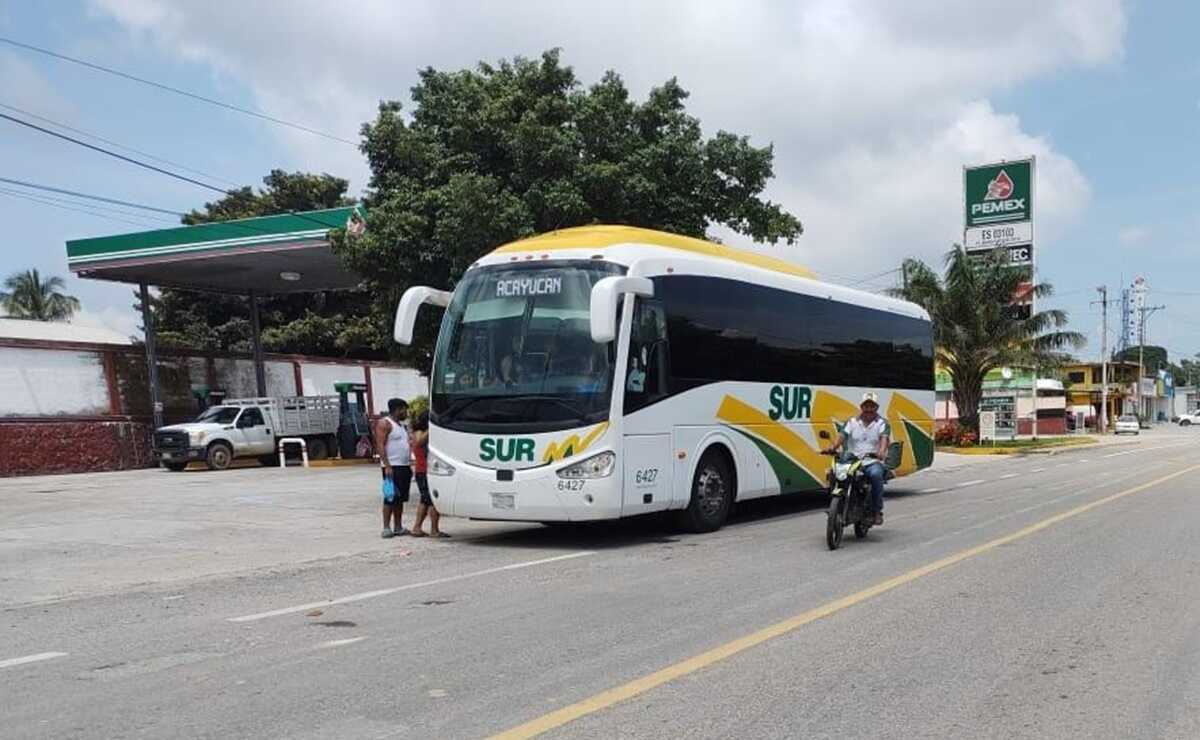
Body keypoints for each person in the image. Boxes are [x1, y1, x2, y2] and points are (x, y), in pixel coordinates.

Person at [823, 392, 891, 526]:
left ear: (876, 408)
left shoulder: (882, 423)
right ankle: (836, 505)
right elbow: (841, 436)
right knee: (834, 473)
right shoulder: (852, 422)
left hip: (871, 461)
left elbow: (884, 439)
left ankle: (877, 511)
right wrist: (832, 447)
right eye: (866, 406)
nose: (868, 409)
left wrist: (881, 452)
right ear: (861, 407)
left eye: (872, 406)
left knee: (876, 475)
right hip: (852, 460)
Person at [375, 398, 412, 538]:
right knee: (390, 497)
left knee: (400, 498)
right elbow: (380, 444)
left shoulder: (401, 426)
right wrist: (387, 465)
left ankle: (398, 526)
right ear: (397, 409)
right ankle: (386, 527)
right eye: (404, 410)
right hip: (392, 467)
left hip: (403, 466)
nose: (406, 413)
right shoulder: (385, 423)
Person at [409, 410, 449, 538]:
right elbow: (419, 441)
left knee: (427, 500)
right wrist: (432, 427)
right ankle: (430, 529)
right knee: (430, 500)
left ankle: (423, 528)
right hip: (423, 470)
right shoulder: (419, 432)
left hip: (427, 470)